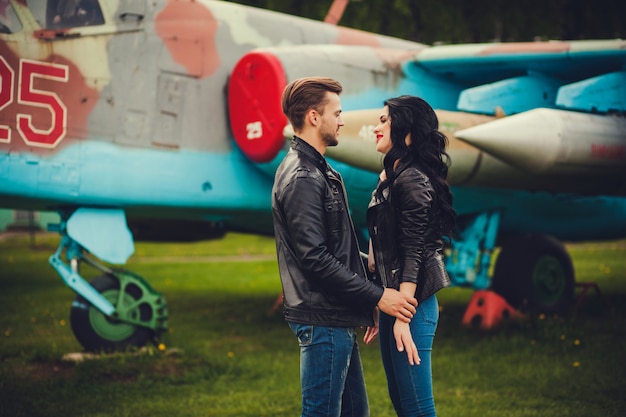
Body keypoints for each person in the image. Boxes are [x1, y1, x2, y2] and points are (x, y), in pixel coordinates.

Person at [272, 77, 418, 417]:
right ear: (313, 117)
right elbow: (315, 259)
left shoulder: (319, 170)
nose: (342, 120)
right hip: (324, 321)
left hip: (337, 317)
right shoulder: (304, 177)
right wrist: (378, 297)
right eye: (336, 112)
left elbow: (336, 250)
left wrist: (373, 268)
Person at [363, 95, 456, 417]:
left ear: (407, 131)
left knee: (417, 407)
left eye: (384, 121)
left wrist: (403, 315)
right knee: (402, 404)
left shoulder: (413, 178)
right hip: (394, 301)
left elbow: (414, 250)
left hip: (412, 304)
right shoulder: (393, 177)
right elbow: (386, 249)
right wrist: (378, 300)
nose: (376, 127)